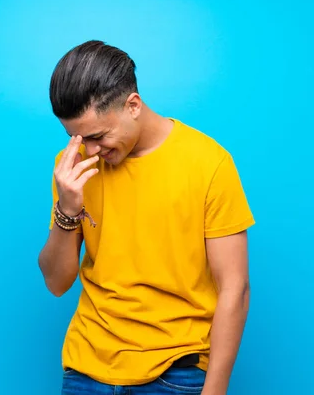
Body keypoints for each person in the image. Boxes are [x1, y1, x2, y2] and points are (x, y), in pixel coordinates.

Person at [38, 40, 255, 395]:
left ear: (133, 105)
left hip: (176, 372)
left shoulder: (208, 163)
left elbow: (235, 288)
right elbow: (57, 282)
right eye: (77, 138)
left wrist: (215, 390)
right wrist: (67, 208)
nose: (89, 151)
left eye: (98, 136)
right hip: (86, 369)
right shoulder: (72, 169)